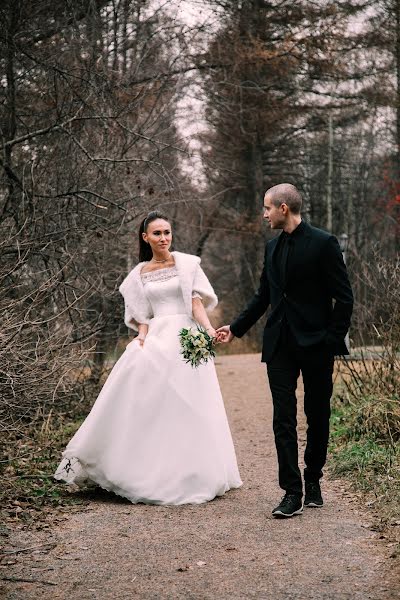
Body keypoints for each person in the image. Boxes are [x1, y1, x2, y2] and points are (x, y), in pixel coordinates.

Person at [54, 211, 242, 505]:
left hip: (186, 338)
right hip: (158, 337)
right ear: (145, 237)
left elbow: (195, 305)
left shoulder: (186, 264)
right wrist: (140, 339)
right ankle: (137, 465)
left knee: (193, 404)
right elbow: (143, 317)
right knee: (151, 401)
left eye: (167, 232)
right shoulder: (138, 274)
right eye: (157, 233)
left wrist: (208, 332)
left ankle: (196, 472)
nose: (164, 238)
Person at [216, 184, 353, 518]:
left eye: (266, 208)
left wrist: (330, 339)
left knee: (318, 414)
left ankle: (314, 478)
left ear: (283, 208)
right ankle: (292, 492)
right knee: (283, 418)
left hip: (316, 344)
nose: (263, 214)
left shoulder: (324, 243)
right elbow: (263, 295)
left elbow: (344, 297)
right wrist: (235, 328)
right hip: (279, 344)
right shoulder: (271, 247)